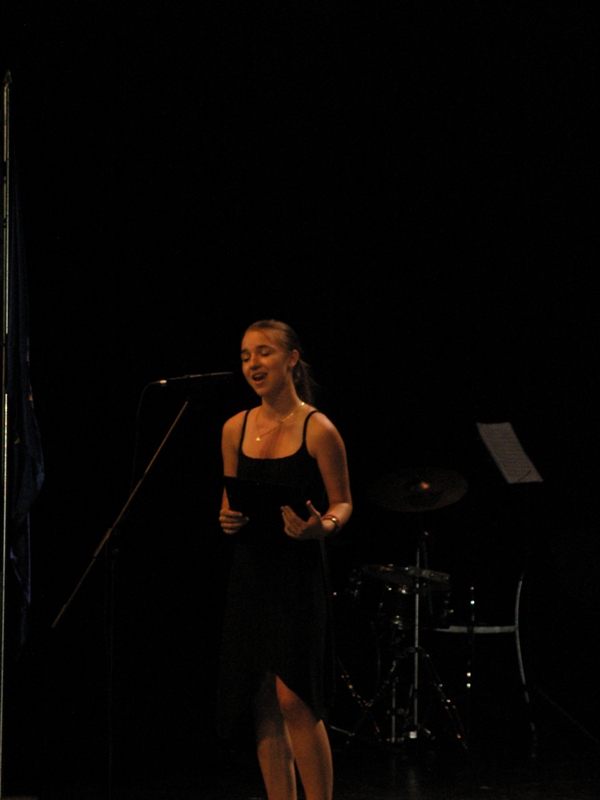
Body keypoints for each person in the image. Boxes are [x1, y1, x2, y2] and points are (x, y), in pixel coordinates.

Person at [218, 319, 352, 800]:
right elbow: (230, 499)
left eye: (264, 352)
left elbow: (343, 503)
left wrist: (323, 526)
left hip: (296, 574)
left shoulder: (319, 428)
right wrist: (227, 518)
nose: (252, 363)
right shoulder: (235, 427)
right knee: (261, 699)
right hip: (251, 571)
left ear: (292, 359)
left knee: (294, 697)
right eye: (245, 356)